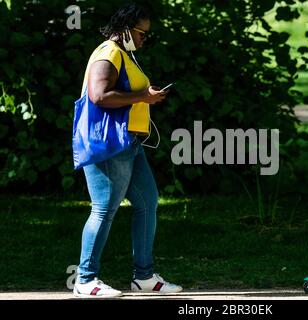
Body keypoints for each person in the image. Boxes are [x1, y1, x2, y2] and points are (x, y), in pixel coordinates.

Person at [72, 3, 182, 298]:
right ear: (124, 30)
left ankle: (144, 277)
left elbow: (124, 93)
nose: (145, 38)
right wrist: (142, 97)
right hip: (108, 144)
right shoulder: (109, 53)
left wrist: (144, 97)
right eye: (141, 33)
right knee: (104, 208)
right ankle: (85, 279)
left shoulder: (124, 55)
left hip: (129, 143)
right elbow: (99, 95)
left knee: (147, 203)